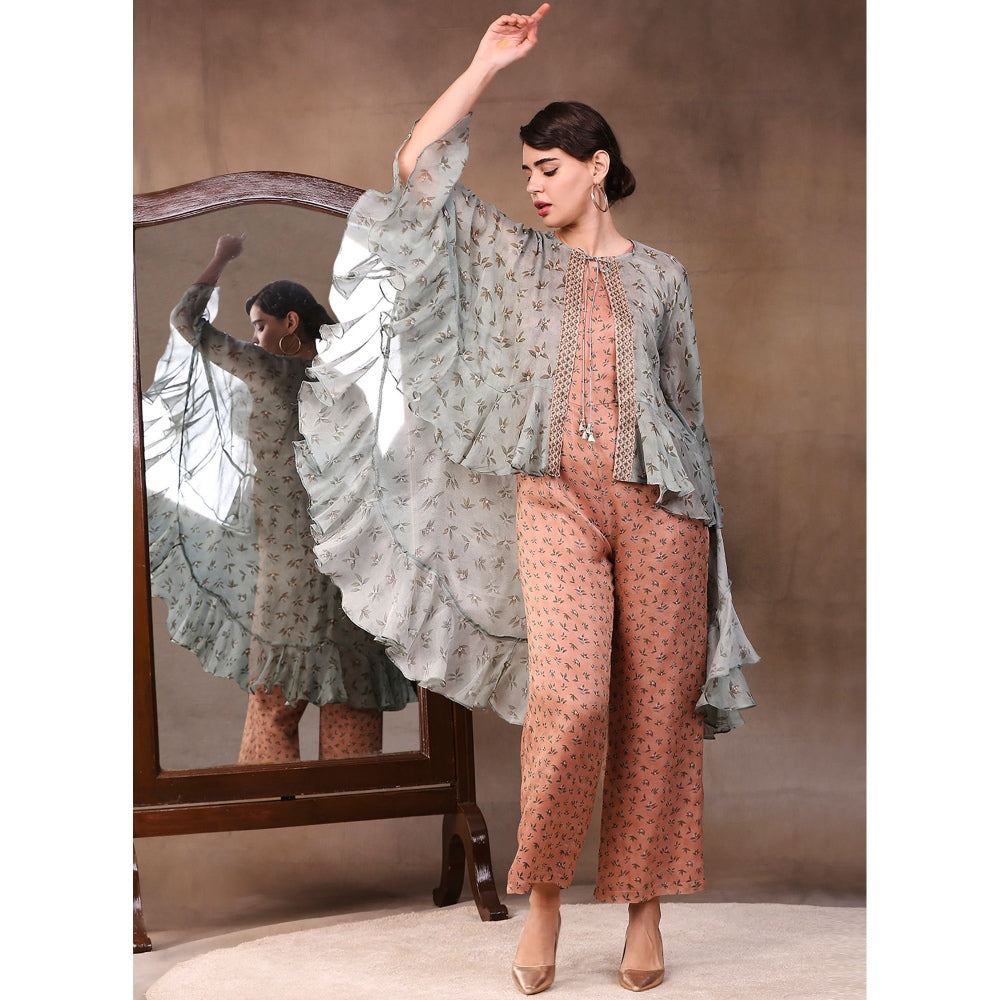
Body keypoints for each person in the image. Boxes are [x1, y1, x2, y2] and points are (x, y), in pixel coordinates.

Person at [295, 4, 759, 992]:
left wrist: (713, 558)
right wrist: (483, 63)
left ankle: (643, 911)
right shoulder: (517, 257)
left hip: (666, 510)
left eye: (549, 167)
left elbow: (688, 414)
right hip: (555, 501)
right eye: (525, 172)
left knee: (657, 711)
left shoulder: (664, 279)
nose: (534, 186)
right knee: (572, 699)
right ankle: (544, 894)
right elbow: (417, 168)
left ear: (598, 167)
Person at [143, 234, 415, 764]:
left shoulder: (264, 370)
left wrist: (220, 257)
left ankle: (270, 806)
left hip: (290, 564)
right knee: (352, 697)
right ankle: (352, 808)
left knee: (273, 703)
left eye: (260, 324)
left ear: (291, 322)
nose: (256, 336)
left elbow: (185, 321)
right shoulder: (355, 381)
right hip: (356, 563)